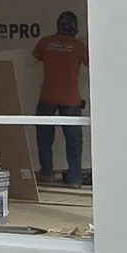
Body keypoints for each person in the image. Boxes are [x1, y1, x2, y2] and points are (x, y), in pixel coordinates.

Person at [32, 11, 88, 186]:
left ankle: (47, 175)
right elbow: (94, 65)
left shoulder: (45, 42)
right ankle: (75, 179)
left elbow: (31, 61)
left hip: (47, 96)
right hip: (71, 99)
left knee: (44, 138)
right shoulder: (79, 46)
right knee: (73, 141)